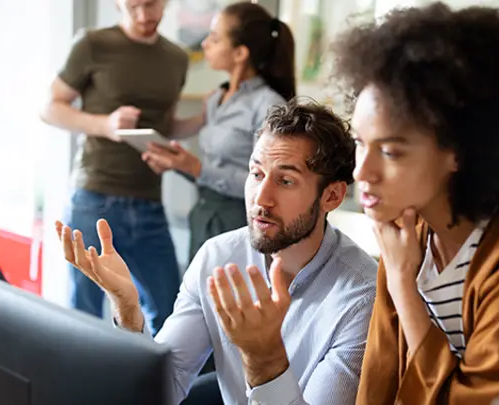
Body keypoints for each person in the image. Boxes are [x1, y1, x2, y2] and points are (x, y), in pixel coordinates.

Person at [331, 3, 499, 404]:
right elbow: (379, 378)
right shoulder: (407, 228)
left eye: (392, 152)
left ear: (461, 150)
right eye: (360, 143)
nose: (361, 171)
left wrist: (404, 288)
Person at [56, 100, 378, 405]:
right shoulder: (218, 257)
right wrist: (128, 311)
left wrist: (264, 357)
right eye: (256, 174)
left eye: (286, 181)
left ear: (332, 196)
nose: (260, 199)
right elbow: (161, 390)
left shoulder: (363, 297)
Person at [40, 0, 204, 335]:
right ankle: (86, 387)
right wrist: (107, 125)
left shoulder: (176, 58)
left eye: (152, 5)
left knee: (170, 311)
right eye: (133, 6)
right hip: (94, 198)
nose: (145, 15)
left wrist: (207, 116)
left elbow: (167, 126)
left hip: (149, 201)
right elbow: (50, 108)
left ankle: (158, 388)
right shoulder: (92, 45)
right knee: (84, 313)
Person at [141, 2, 296, 262]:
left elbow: (267, 185)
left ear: (239, 53)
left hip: (241, 224)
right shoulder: (215, 100)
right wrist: (177, 163)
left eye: (214, 38)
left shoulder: (269, 106)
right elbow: (212, 170)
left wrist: (197, 168)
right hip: (202, 216)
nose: (204, 44)